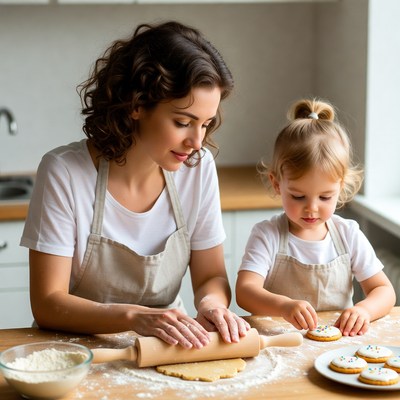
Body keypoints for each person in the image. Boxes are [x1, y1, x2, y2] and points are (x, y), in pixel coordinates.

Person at [21, 21, 250, 349]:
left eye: (206, 124)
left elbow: (210, 276)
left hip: (169, 346)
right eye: (183, 122)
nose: (197, 142)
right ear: (136, 104)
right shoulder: (65, 172)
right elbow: (48, 303)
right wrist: (136, 317)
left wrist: (212, 305)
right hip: (78, 351)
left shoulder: (198, 171)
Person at [235, 98, 396, 337]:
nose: (311, 208)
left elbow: (384, 290)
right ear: (277, 184)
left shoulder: (348, 234)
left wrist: (364, 310)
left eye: (325, 197)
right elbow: (245, 291)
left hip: (337, 346)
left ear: (340, 187)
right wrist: (284, 306)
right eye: (298, 196)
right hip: (283, 344)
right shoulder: (267, 234)